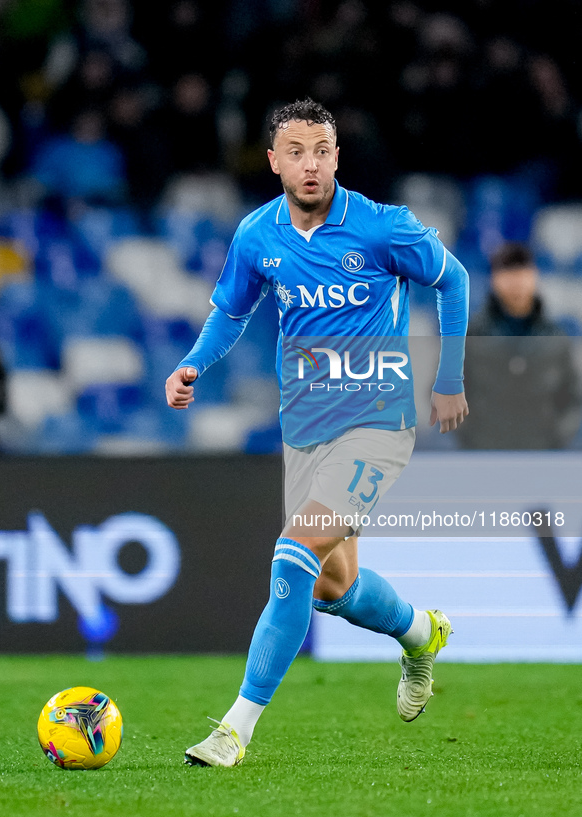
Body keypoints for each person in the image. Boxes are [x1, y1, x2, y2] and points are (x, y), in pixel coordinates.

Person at [166, 98, 469, 767]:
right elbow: (229, 313)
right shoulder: (256, 236)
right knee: (331, 587)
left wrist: (447, 377)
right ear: (273, 161)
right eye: (296, 152)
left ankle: (234, 730)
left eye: (322, 151)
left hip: (376, 423)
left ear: (337, 157)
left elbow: (454, 281)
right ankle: (420, 632)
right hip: (304, 427)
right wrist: (192, 363)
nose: (310, 165)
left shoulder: (383, 228)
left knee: (291, 556)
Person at [457, 242, 582, 449]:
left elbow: (573, 397)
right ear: (494, 279)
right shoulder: (469, 337)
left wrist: (558, 436)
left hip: (542, 455)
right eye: (507, 273)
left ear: (534, 277)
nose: (516, 282)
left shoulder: (556, 338)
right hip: (483, 454)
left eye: (522, 273)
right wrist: (471, 437)